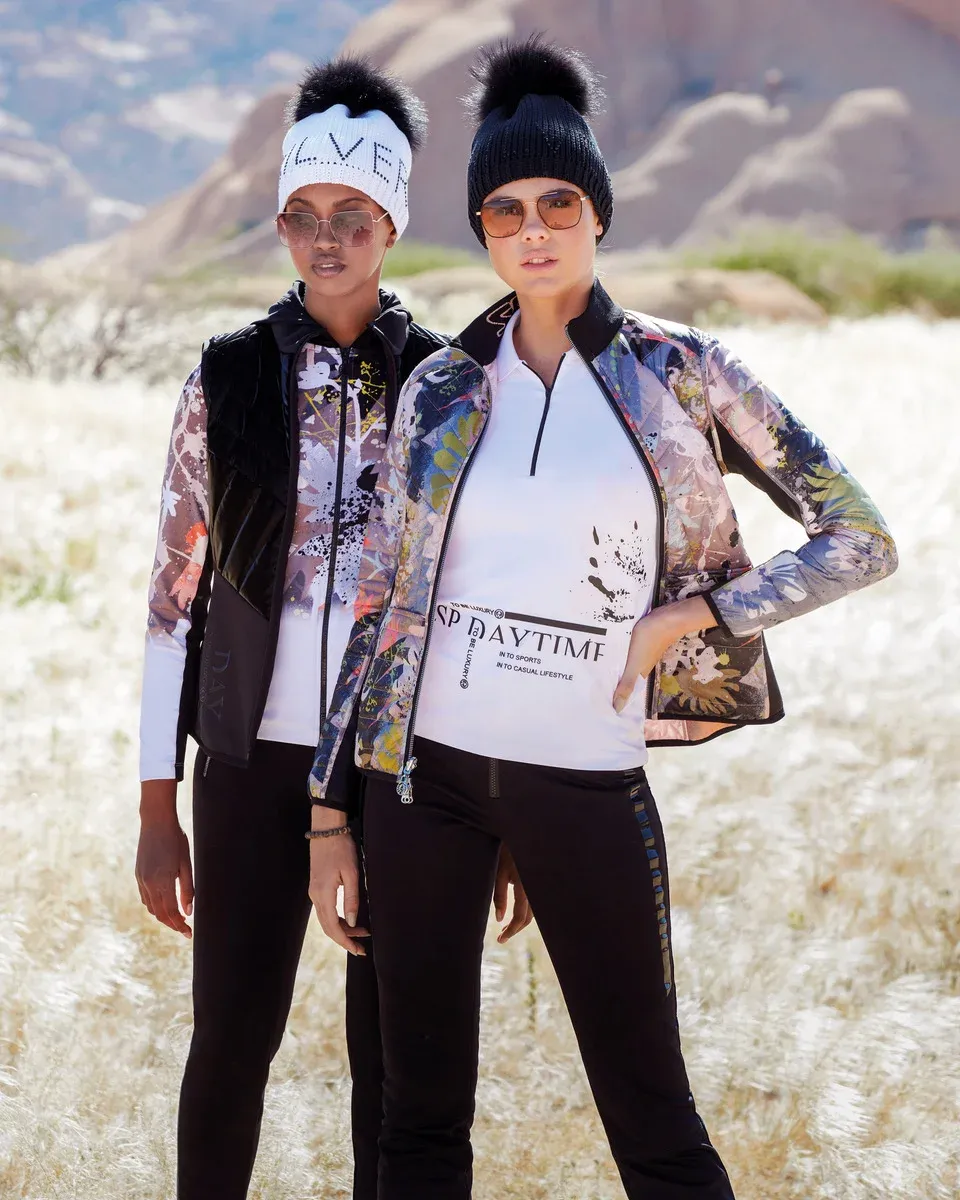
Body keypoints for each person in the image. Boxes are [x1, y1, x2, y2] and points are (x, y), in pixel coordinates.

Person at [306, 35, 899, 1200]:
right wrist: (331, 809)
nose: (533, 230)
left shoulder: (681, 373)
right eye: (505, 209)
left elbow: (859, 534)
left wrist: (699, 616)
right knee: (415, 1124)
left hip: (584, 782)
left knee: (654, 1125)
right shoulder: (440, 387)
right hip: (421, 787)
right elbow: (379, 602)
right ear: (482, 231)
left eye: (558, 203)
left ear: (597, 213)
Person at [134, 55, 531, 1200]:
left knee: (396, 1070)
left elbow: (475, 605)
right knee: (229, 1046)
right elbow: (171, 601)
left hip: (404, 770)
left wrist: (499, 804)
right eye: (301, 216)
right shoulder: (224, 379)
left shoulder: (449, 384)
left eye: (352, 216)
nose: (325, 239)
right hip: (248, 764)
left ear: (391, 224)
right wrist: (158, 808)